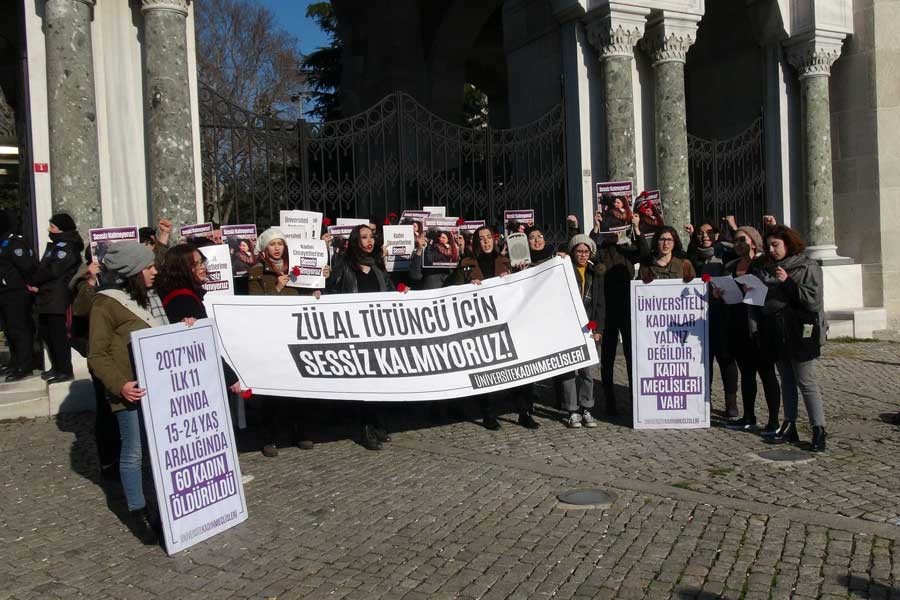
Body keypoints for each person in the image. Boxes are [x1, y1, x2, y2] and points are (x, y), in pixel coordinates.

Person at [87, 242, 168, 544]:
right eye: (149, 267)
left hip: (156, 385)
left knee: (157, 450)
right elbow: (97, 355)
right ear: (134, 271)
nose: (155, 271)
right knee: (133, 452)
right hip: (129, 390)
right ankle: (138, 511)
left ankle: (165, 507)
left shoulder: (149, 297)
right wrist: (120, 385)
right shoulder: (104, 304)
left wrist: (185, 328)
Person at [450, 226, 539, 429]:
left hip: (509, 323)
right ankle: (489, 414)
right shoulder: (466, 264)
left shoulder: (506, 262)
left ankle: (524, 412)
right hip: (483, 327)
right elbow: (453, 290)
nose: (486, 242)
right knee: (487, 370)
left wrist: (519, 274)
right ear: (476, 242)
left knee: (521, 369)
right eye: (481, 239)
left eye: (489, 237)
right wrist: (467, 286)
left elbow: (525, 284)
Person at [248, 228, 326, 456]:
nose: (277, 248)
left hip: (294, 333)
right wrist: (278, 288)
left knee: (298, 388)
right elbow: (254, 304)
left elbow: (303, 294)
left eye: (280, 243)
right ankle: (269, 437)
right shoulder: (257, 271)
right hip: (270, 336)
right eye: (272, 244)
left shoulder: (296, 267)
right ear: (264, 249)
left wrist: (316, 287)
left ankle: (299, 431)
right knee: (272, 391)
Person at [756, 225, 828, 451]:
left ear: (788, 243)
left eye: (775, 245)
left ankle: (819, 429)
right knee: (786, 379)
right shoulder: (768, 269)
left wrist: (787, 281)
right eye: (769, 246)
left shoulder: (807, 266)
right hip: (778, 330)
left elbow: (812, 300)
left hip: (801, 331)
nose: (772, 249)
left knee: (805, 381)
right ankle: (790, 424)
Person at [328, 225, 397, 450]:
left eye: (372, 237)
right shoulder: (344, 266)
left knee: (380, 380)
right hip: (356, 333)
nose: (370, 241)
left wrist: (402, 293)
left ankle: (378, 423)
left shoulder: (377, 265)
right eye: (364, 237)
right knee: (364, 383)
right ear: (356, 241)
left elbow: (390, 290)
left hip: (379, 330)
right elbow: (333, 295)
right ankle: (366, 429)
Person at [713, 226, 781, 434]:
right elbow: (727, 295)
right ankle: (748, 416)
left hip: (759, 327)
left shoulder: (763, 264)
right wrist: (719, 294)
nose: (739, 244)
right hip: (736, 325)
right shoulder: (731, 266)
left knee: (767, 373)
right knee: (747, 374)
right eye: (736, 241)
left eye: (743, 240)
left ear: (753, 241)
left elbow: (774, 288)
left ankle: (773, 421)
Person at [590, 210, 649, 415]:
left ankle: (635, 400)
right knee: (607, 359)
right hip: (606, 311)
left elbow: (644, 253)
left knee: (632, 356)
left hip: (627, 309)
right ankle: (609, 401)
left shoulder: (627, 249)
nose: (614, 232)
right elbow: (589, 250)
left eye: (617, 228)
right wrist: (596, 229)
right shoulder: (601, 250)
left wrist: (636, 228)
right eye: (610, 228)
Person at [685, 221, 739, 417]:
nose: (704, 236)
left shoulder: (725, 252)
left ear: (717, 235)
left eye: (709, 232)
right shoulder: (692, 255)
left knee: (725, 359)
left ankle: (730, 402)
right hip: (697, 316)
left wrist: (734, 228)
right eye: (700, 233)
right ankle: (703, 400)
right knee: (701, 361)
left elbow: (745, 250)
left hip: (722, 315)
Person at [29, 213, 84, 384]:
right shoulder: (57, 245)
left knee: (58, 336)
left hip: (57, 298)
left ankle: (65, 370)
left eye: (52, 227)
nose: (49, 230)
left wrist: (33, 280)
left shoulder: (66, 247)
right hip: (47, 296)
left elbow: (52, 270)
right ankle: (57, 367)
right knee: (47, 333)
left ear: (62, 229)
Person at [561, 234, 605, 428]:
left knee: (588, 371)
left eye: (586, 251)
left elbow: (601, 304)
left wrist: (599, 329)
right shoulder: (563, 269)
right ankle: (572, 410)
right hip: (568, 327)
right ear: (572, 252)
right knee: (569, 372)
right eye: (579, 251)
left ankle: (587, 407)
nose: (582, 255)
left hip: (589, 328)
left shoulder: (595, 272)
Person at [0, 211, 37, 381]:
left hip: (16, 293)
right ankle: (15, 362)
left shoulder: (14, 242)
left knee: (19, 329)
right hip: (5, 293)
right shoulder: (3, 241)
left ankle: (24, 365)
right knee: (10, 330)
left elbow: (27, 266)